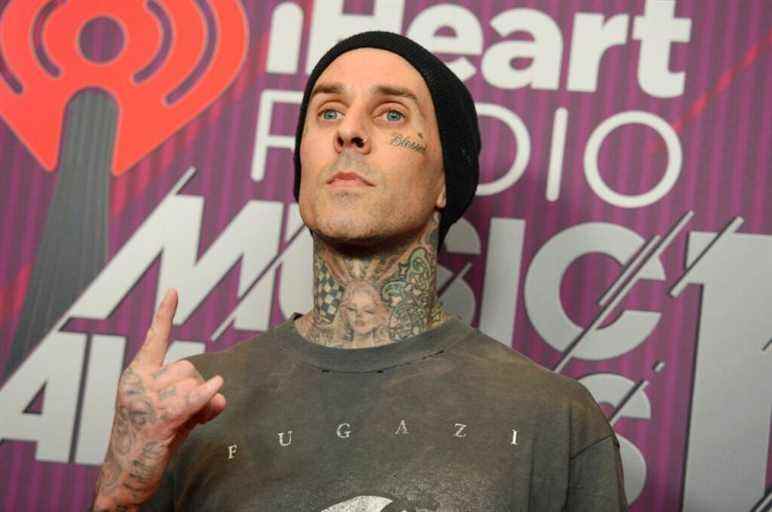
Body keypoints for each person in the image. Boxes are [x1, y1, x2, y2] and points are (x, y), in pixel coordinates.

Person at [91, 31, 627, 511]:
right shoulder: (192, 408)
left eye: (392, 113)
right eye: (327, 112)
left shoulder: (555, 421)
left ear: (446, 179)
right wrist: (119, 496)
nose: (348, 131)